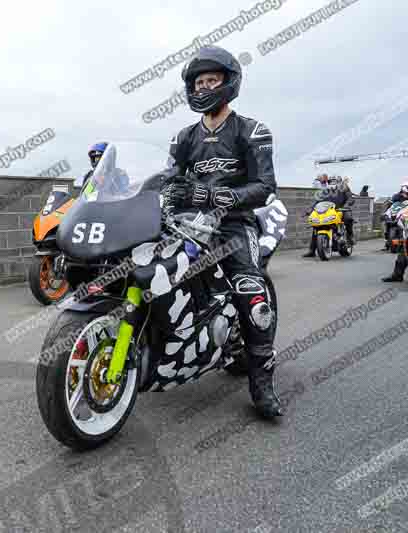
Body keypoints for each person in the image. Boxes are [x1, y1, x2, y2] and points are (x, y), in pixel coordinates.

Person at [163, 45, 282, 419]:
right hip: (186, 226)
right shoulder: (183, 137)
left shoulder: (252, 130)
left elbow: (265, 186)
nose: (203, 87)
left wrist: (214, 194)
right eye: (198, 82)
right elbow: (169, 181)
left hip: (234, 225)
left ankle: (262, 384)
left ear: (229, 83)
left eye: (211, 80)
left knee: (251, 290)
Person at [302, 174, 355, 258]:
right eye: (330, 181)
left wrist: (347, 205)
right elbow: (317, 200)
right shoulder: (325, 191)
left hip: (341, 210)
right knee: (317, 226)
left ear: (339, 182)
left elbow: (350, 198)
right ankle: (312, 250)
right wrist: (310, 209)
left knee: (348, 218)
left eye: (334, 181)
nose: (332, 183)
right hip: (329, 211)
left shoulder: (344, 188)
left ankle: (350, 237)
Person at [382, 181, 408, 281]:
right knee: (403, 252)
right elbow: (393, 206)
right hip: (405, 228)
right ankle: (397, 276)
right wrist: (386, 214)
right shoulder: (398, 197)